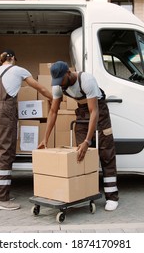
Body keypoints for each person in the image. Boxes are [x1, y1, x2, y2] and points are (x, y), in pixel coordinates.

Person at [38, 61, 119, 211]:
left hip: (99, 112)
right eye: (57, 81)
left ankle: (112, 196)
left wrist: (88, 140)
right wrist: (45, 138)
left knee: (106, 154)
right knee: (81, 154)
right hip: (82, 112)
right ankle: (85, 193)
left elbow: (94, 111)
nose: (60, 85)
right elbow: (53, 112)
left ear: (68, 73)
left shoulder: (86, 80)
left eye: (61, 80)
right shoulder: (58, 86)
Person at [0, 49, 52, 211]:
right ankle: (0, 199)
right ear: (13, 58)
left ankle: (0, 193)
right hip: (5, 111)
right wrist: (54, 98)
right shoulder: (19, 70)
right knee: (5, 151)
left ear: (2, 59)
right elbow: (39, 88)